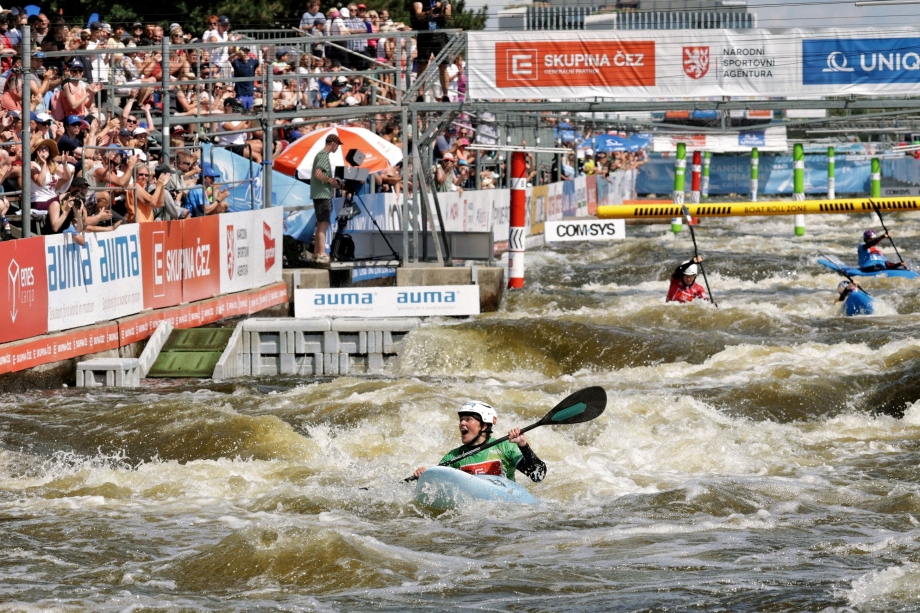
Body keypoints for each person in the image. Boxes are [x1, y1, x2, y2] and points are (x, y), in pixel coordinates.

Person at [412, 401, 547, 482]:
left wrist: (523, 446)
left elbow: (538, 475)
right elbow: (437, 485)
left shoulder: (505, 447)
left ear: (484, 426)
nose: (462, 424)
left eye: (468, 419)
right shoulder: (453, 457)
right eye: (461, 420)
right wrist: (424, 476)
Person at [310, 133, 343, 264]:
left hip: (319, 193)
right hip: (322, 194)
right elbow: (318, 173)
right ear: (333, 143)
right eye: (337, 145)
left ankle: (317, 253)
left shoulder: (320, 155)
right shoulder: (323, 155)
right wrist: (330, 180)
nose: (337, 148)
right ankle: (322, 253)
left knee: (321, 223)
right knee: (323, 223)